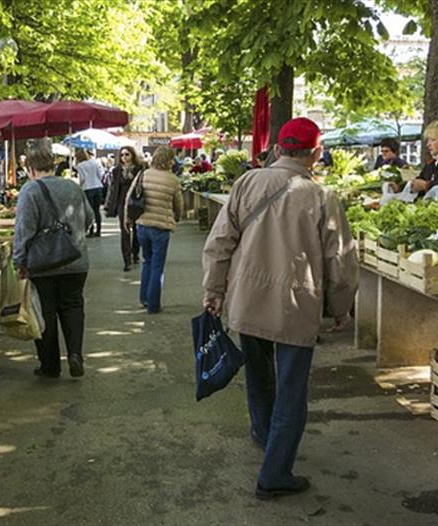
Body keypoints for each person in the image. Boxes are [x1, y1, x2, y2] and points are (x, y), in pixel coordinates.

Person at [201, 117, 359, 501]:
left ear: (277, 149)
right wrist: (340, 308)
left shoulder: (246, 183)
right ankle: (274, 473)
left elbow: (220, 241)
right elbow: (340, 260)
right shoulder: (321, 197)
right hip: (295, 305)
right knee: (292, 390)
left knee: (258, 376)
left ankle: (263, 431)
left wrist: (213, 290)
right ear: (316, 154)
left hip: (247, 299)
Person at [13, 138, 94, 378]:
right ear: (53, 164)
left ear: (30, 168)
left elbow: (23, 230)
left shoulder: (30, 191)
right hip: (76, 260)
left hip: (44, 264)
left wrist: (19, 262)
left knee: (44, 312)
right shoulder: (72, 187)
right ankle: (76, 354)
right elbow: (89, 218)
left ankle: (50, 365)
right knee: (73, 307)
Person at [126, 145, 183, 313]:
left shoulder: (143, 175)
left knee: (147, 262)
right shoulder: (173, 180)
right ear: (169, 160)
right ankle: (153, 305)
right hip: (161, 227)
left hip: (142, 225)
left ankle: (143, 299)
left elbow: (130, 197)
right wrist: (176, 218)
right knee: (157, 266)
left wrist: (128, 220)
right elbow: (178, 205)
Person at [105, 145, 144, 271]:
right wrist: (110, 204)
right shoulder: (117, 170)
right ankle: (127, 261)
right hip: (122, 203)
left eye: (127, 154)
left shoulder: (139, 169)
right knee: (125, 231)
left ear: (132, 155)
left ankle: (135, 253)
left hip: (136, 203)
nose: (124, 157)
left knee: (137, 230)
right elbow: (113, 188)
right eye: (122, 155)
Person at [74, 150, 104, 238]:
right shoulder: (94, 162)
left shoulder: (80, 166)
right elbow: (100, 174)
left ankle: (91, 230)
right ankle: (98, 230)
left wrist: (79, 186)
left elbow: (82, 178)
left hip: (87, 188)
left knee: (89, 211)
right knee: (97, 210)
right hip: (98, 187)